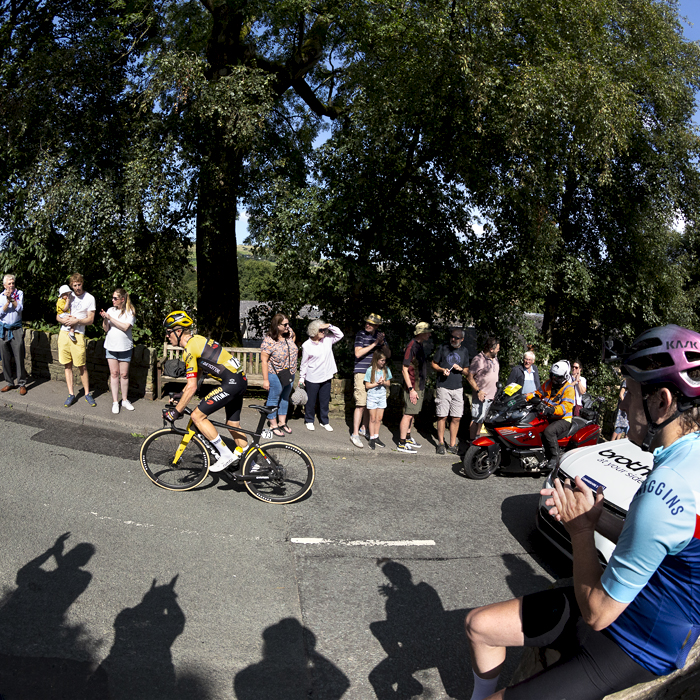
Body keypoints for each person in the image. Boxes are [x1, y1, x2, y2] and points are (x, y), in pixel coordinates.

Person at [464, 324, 700, 700]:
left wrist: (579, 531)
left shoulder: (669, 484)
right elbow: (660, 540)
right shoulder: (687, 454)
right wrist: (595, 519)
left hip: (638, 640)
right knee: (478, 625)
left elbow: (597, 613)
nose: (622, 403)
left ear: (663, 401)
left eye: (630, 393)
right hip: (624, 598)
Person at [162, 310, 248, 472]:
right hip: (239, 380)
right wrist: (182, 394)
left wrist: (176, 412)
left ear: (178, 331)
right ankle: (251, 463)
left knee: (197, 416)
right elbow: (198, 374)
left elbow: (193, 386)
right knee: (232, 424)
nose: (167, 336)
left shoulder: (189, 349)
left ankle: (226, 455)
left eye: (169, 332)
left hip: (231, 382)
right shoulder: (197, 340)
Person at [525, 360, 575, 472]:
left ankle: (555, 458)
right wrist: (529, 398)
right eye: (552, 375)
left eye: (557, 377)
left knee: (549, 432)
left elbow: (566, 407)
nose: (554, 378)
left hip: (563, 419)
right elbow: (537, 393)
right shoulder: (548, 383)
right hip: (548, 415)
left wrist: (551, 410)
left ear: (565, 376)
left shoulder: (569, 389)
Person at [351, 313, 392, 448]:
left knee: (370, 404)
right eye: (367, 323)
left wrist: (381, 343)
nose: (367, 325)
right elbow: (358, 353)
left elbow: (388, 355)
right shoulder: (360, 335)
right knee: (361, 403)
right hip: (362, 372)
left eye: (371, 323)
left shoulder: (380, 335)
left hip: (375, 372)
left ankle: (364, 429)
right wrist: (375, 343)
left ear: (377, 326)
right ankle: (355, 434)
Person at [56, 273, 96, 407]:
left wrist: (77, 320)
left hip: (78, 334)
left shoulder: (89, 298)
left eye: (79, 285)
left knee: (81, 365)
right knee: (67, 364)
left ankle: (87, 393)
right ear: (71, 286)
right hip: (64, 333)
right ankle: (71, 394)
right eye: (74, 285)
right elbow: (57, 315)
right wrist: (62, 319)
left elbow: (90, 320)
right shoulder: (67, 296)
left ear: (82, 283)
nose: (77, 288)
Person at [431, 328, 470, 455]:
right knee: (442, 416)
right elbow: (433, 364)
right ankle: (441, 443)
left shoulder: (464, 351)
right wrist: (442, 370)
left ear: (462, 340)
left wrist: (461, 369)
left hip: (458, 388)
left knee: (456, 417)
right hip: (443, 386)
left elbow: (467, 371)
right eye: (452, 337)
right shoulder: (443, 348)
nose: (453, 339)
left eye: (457, 338)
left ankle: (452, 444)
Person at [299, 320, 344, 431]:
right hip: (313, 376)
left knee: (324, 400)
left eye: (324, 329)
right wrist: (301, 377)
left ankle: (324, 421)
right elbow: (304, 363)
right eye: (321, 330)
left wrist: (330, 325)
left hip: (327, 375)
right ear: (314, 331)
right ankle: (309, 420)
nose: (324, 332)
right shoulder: (307, 345)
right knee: (311, 401)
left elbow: (340, 334)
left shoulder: (327, 340)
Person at [261, 313, 299, 437]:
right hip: (275, 374)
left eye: (288, 324)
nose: (288, 326)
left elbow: (293, 339)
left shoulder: (289, 334)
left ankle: (282, 422)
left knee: (285, 397)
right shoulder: (269, 340)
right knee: (274, 398)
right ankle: (273, 424)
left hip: (290, 372)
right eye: (285, 324)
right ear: (277, 325)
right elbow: (264, 361)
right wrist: (266, 380)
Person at [398, 322, 432, 454]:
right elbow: (404, 369)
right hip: (413, 386)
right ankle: (401, 443)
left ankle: (407, 437)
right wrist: (411, 389)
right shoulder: (411, 347)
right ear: (421, 333)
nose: (429, 334)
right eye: (428, 332)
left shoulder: (419, 345)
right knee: (408, 414)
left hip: (419, 385)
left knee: (412, 414)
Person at [100, 288, 136, 414]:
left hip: (125, 347)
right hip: (111, 346)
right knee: (114, 374)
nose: (113, 300)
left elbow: (125, 327)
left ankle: (125, 400)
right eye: (112, 297)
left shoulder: (130, 312)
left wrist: (110, 318)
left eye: (115, 298)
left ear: (122, 299)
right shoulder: (110, 310)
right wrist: (105, 318)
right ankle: (115, 401)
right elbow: (106, 329)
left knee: (124, 374)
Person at [0, 273, 28, 395]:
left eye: (13, 283)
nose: (11, 285)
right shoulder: (0, 296)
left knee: (19, 356)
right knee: (5, 357)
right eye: (9, 283)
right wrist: (6, 302)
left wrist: (11, 299)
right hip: (3, 329)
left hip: (16, 329)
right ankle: (10, 382)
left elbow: (20, 308)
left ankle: (22, 383)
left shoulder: (19, 294)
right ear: (4, 285)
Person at [468, 338, 500, 440]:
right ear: (491, 349)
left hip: (492, 396)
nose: (498, 350)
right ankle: (472, 442)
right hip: (482, 395)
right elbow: (469, 377)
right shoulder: (478, 359)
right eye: (497, 348)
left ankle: (478, 439)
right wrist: (478, 391)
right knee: (476, 419)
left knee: (482, 420)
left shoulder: (495, 358)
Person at [364, 348, 392, 450]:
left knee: (379, 418)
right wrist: (377, 383)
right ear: (376, 360)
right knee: (373, 418)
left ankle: (376, 436)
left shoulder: (386, 370)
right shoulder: (370, 370)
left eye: (384, 360)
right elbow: (367, 385)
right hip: (372, 396)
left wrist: (383, 382)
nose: (383, 362)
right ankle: (371, 437)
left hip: (381, 396)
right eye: (382, 360)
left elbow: (388, 383)